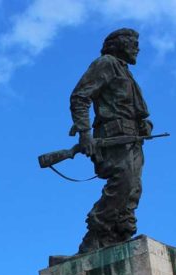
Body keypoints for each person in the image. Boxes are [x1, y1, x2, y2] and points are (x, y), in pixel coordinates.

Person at [70, 28, 153, 253]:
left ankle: (119, 234)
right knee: (123, 182)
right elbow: (80, 97)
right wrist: (85, 134)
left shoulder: (125, 72)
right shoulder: (106, 63)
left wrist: (145, 124)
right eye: (132, 42)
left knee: (133, 189)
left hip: (132, 138)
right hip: (112, 137)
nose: (137, 48)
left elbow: (133, 109)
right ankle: (96, 235)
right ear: (117, 44)